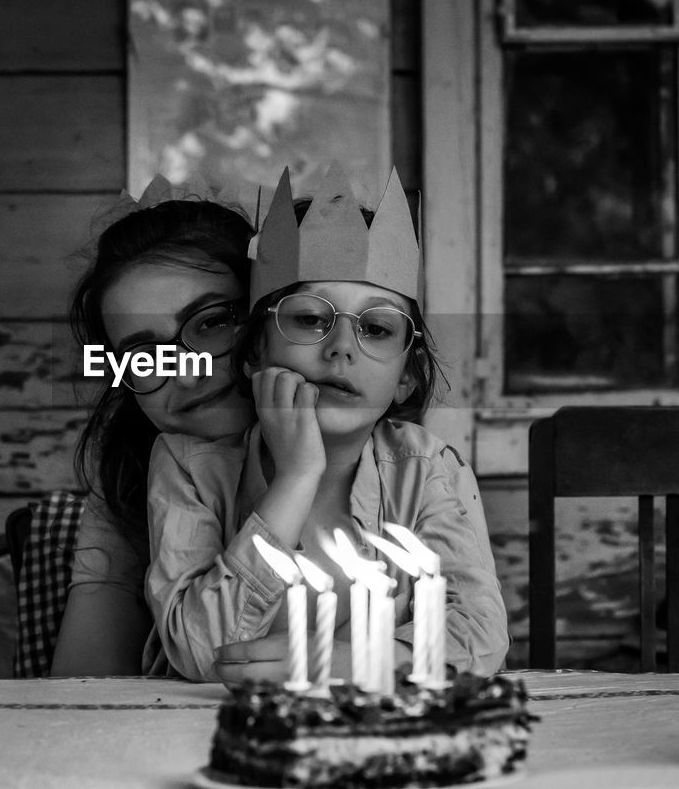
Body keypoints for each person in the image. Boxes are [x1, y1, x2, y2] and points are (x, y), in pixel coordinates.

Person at [145, 165, 508, 683]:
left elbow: (481, 629)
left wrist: (367, 660)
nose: (341, 347)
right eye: (310, 318)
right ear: (253, 352)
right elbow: (204, 654)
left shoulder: (426, 469)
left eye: (377, 328)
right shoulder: (188, 467)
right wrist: (295, 477)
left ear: (405, 377)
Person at [49, 185, 255, 676]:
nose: (185, 372)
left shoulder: (388, 460)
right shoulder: (133, 472)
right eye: (143, 354)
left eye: (212, 323)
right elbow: (84, 685)